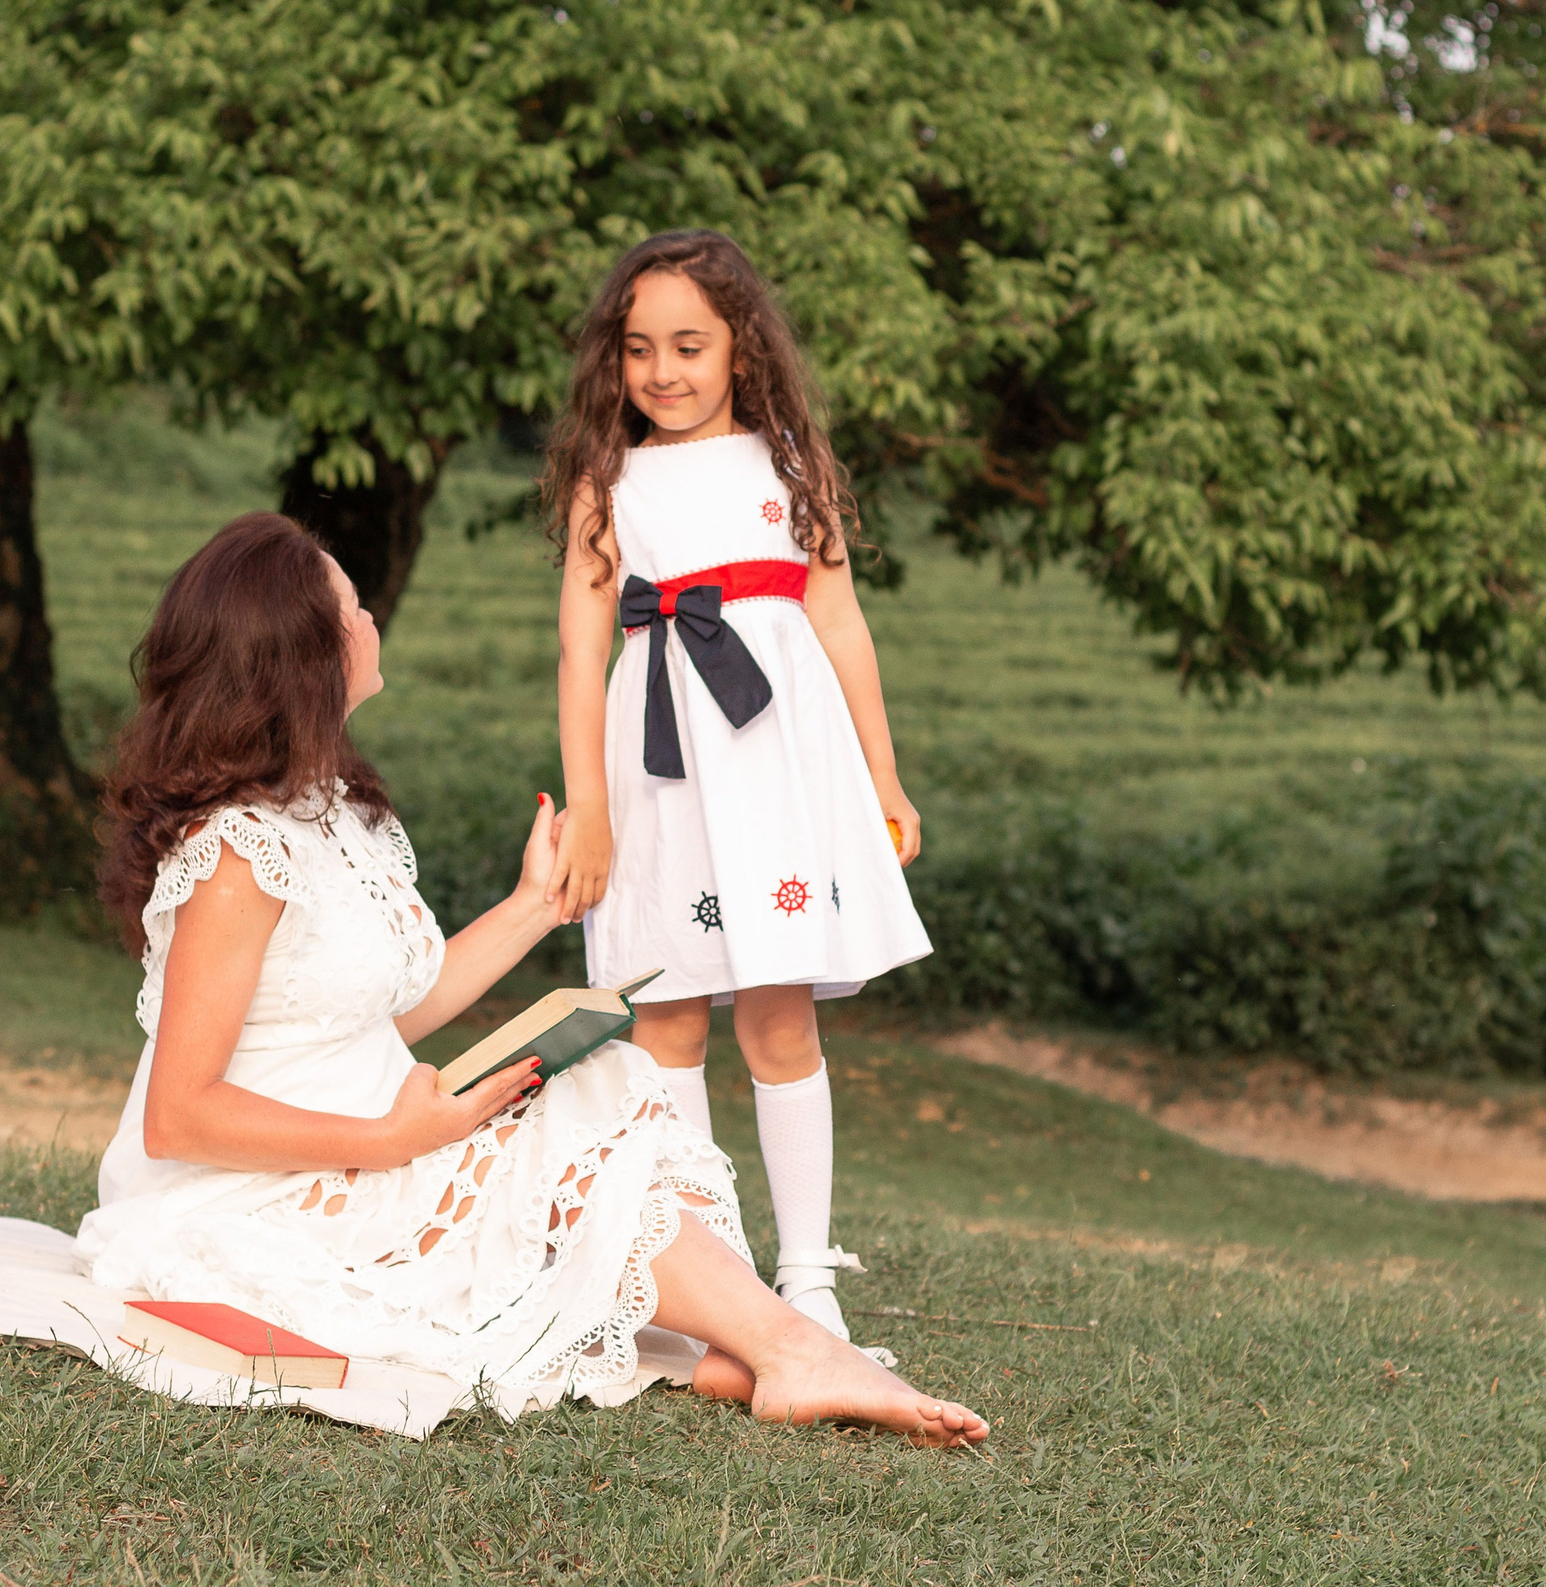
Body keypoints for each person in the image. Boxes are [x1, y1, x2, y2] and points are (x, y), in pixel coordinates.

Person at [74, 512, 985, 1446]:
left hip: (377, 1137)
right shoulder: (238, 851)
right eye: (353, 606)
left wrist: (535, 905)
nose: (370, 617)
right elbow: (178, 1114)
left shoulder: (330, 810)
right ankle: (792, 1350)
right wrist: (391, 1140)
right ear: (307, 656)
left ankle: (742, 1340)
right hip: (249, 1192)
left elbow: (384, 1009)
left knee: (595, 1085)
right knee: (553, 1137)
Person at [544, 230, 932, 1357]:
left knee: (776, 1008)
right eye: (638, 349)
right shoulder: (606, 484)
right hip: (656, 774)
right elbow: (580, 654)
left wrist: (883, 772)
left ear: (741, 351)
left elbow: (840, 622)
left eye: (689, 346)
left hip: (774, 772)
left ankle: (806, 1278)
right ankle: (706, 1280)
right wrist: (591, 809)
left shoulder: (790, 469)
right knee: (665, 1010)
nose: (663, 372)